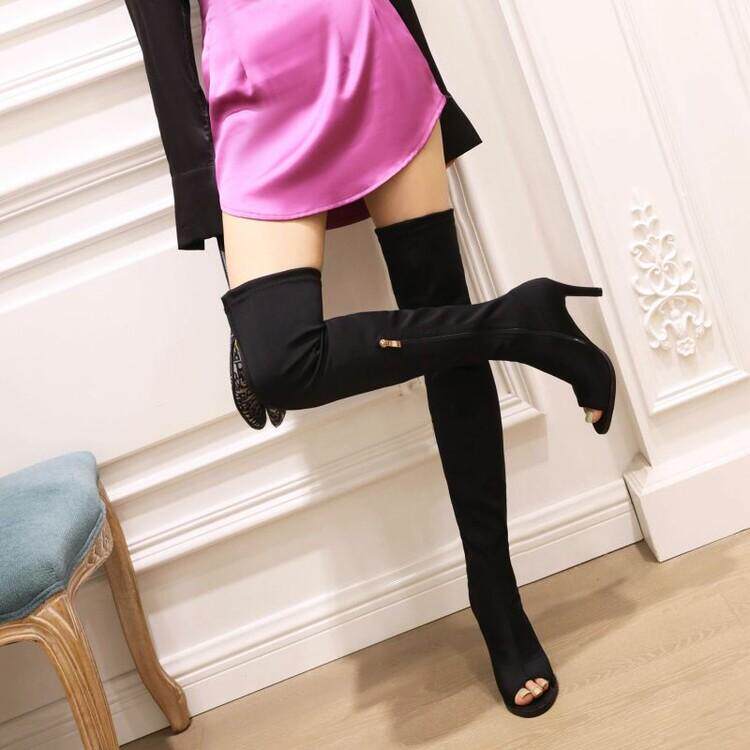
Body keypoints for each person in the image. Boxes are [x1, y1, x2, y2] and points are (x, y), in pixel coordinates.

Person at [124, 0, 616, 718]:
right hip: (253, 99)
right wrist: (222, 243)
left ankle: (497, 598)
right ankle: (524, 325)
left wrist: (432, 83)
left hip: (367, 52)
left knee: (441, 319)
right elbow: (164, 46)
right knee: (281, 362)